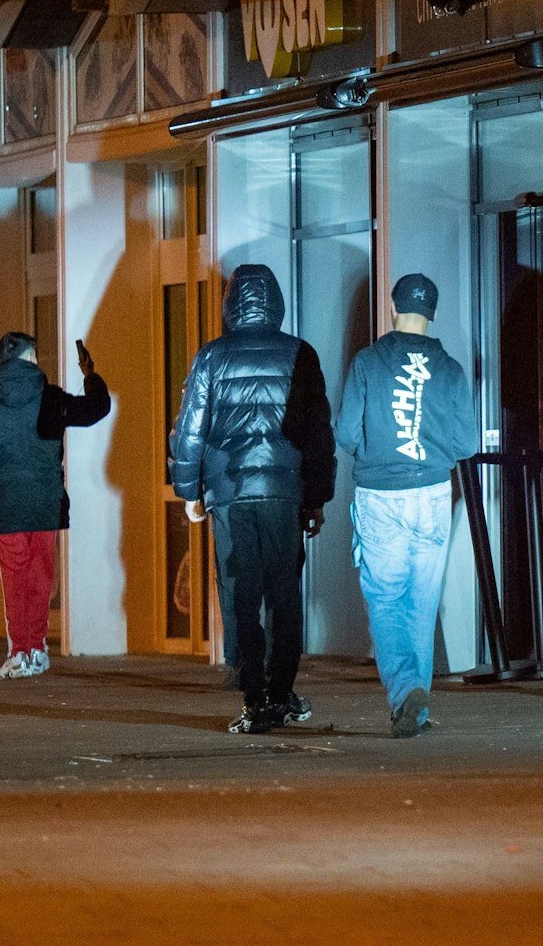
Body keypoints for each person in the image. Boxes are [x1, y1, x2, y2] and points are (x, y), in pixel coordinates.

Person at [169, 264, 335, 734]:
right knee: (284, 595)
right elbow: (318, 434)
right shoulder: (301, 354)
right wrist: (317, 497)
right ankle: (282, 691)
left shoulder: (211, 358)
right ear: (276, 302)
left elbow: (190, 430)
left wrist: (188, 490)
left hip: (230, 493)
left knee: (241, 593)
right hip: (285, 493)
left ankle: (254, 696)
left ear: (230, 303)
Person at [334, 274, 480, 738]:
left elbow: (346, 434)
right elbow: (466, 442)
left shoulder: (368, 363)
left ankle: (404, 694)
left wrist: (378, 451)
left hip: (381, 493)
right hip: (433, 494)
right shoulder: (451, 369)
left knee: (385, 600)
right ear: (432, 313)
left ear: (393, 307)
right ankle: (413, 709)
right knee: (420, 602)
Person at [0, 333, 111, 679]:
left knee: (15, 580)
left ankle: (20, 651)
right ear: (32, 359)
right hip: (44, 501)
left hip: (5, 502)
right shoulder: (50, 398)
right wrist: (90, 376)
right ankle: (36, 649)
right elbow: (96, 409)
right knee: (39, 578)